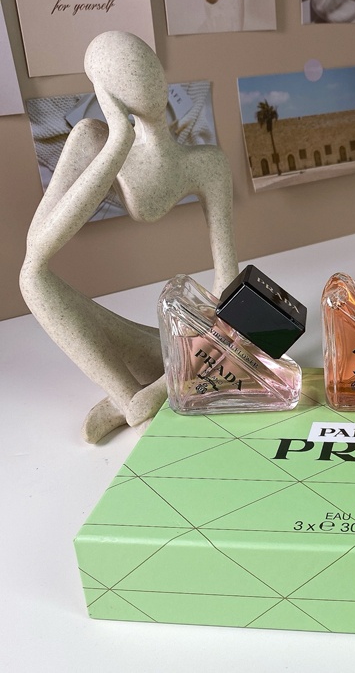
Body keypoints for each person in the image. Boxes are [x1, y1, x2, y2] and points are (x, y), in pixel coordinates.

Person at [20, 31, 238, 443]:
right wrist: (118, 141)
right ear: (107, 91)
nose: (147, 80)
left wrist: (203, 342)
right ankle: (130, 398)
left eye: (148, 65)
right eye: (126, 73)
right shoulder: (94, 139)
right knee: (31, 278)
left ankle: (149, 395)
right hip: (161, 352)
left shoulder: (206, 163)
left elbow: (227, 280)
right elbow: (38, 248)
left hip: (192, 345)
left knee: (228, 326)